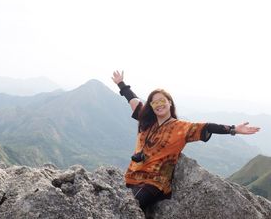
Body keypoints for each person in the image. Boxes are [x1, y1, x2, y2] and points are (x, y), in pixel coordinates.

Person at [111, 70, 260, 213]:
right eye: (154, 102)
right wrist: (121, 84)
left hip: (155, 182)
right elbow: (132, 99)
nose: (159, 104)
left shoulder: (181, 128)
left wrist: (234, 129)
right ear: (151, 106)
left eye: (162, 100)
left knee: (129, 207)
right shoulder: (146, 120)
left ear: (170, 102)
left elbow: (207, 126)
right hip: (133, 176)